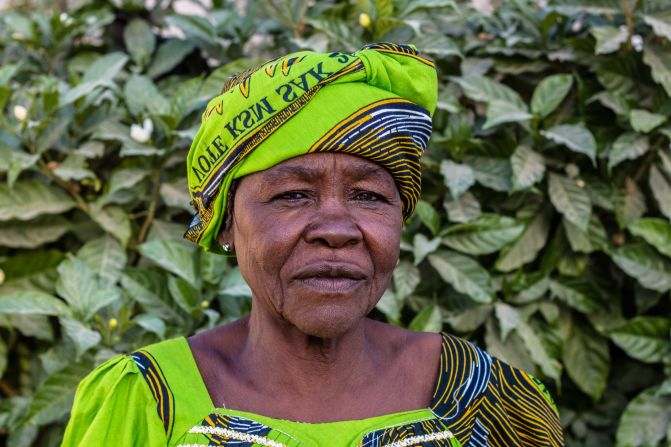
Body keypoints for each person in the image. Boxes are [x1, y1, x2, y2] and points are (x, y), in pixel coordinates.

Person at [62, 43, 564, 447]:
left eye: (368, 195)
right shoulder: (145, 401)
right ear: (227, 227)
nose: (337, 228)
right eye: (292, 194)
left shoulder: (488, 404)